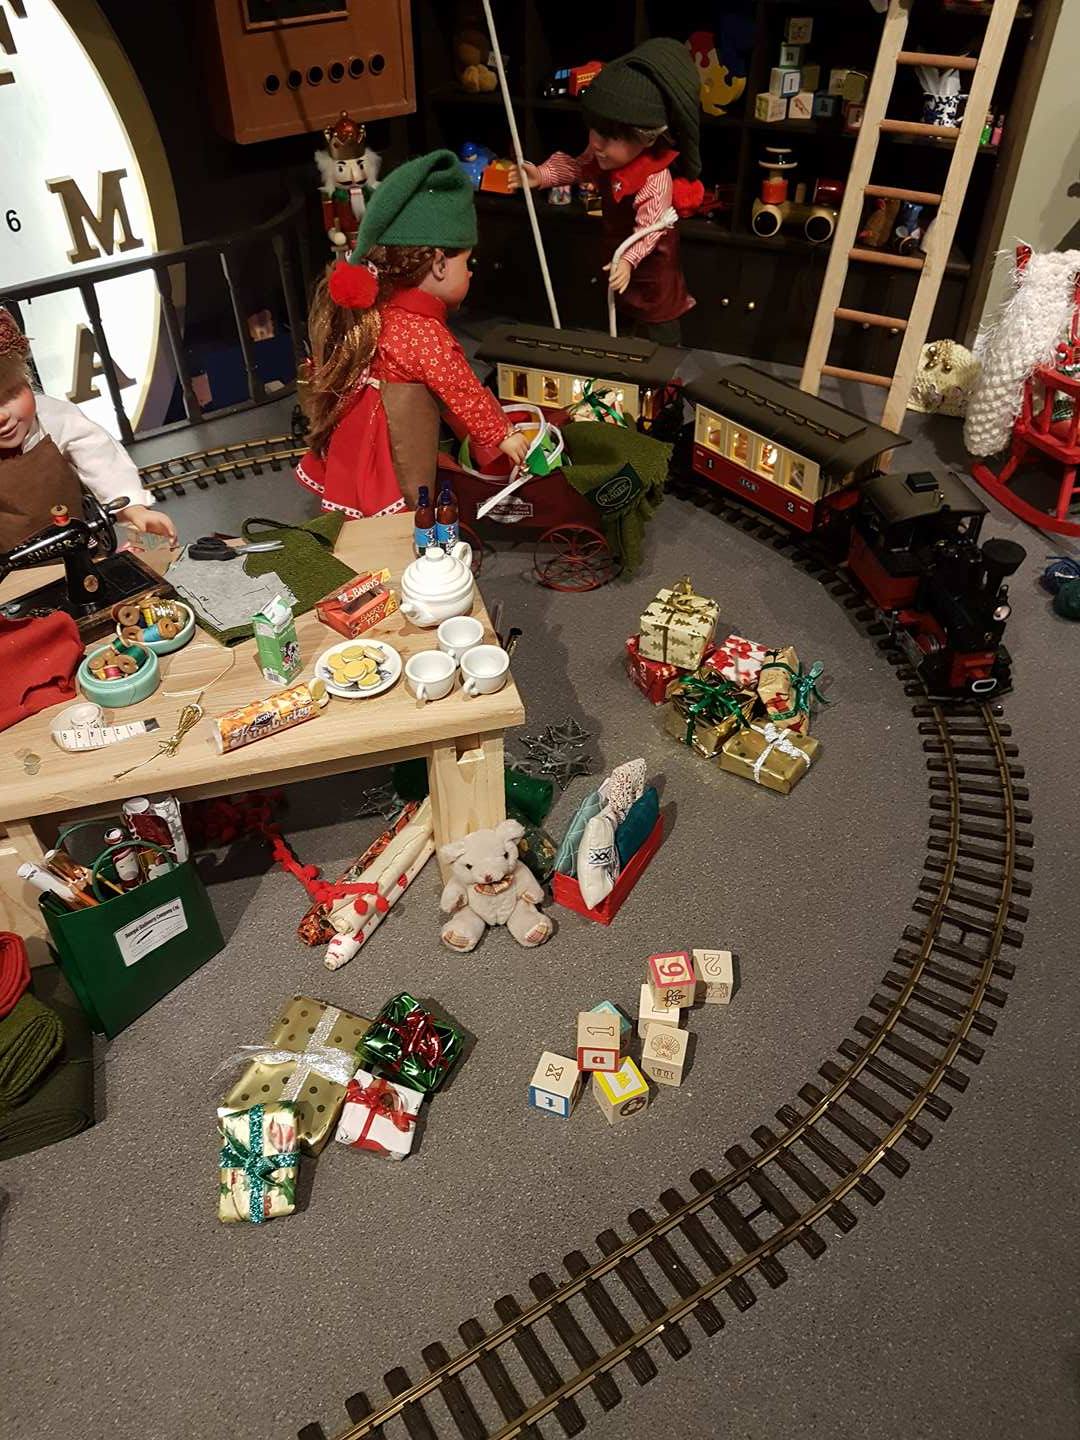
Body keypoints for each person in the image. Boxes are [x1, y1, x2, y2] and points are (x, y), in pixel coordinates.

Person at [298, 148, 529, 518]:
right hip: (392, 433)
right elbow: (462, 388)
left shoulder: (381, 309)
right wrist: (502, 434)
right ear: (438, 264)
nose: (470, 272)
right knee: (398, 497)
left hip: (358, 422)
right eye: (466, 262)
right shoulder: (423, 332)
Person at [509, 38, 703, 345]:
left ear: (647, 138)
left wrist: (627, 260)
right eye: (595, 129)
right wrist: (542, 175)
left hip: (652, 264)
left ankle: (667, 366)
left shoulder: (655, 178)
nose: (597, 143)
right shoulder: (601, 153)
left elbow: (650, 229)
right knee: (621, 316)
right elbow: (579, 167)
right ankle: (622, 359)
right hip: (617, 252)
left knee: (659, 322)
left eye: (611, 137)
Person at [0, 306, 176, 550]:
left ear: (27, 379)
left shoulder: (54, 418)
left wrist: (133, 509)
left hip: (81, 549)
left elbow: (101, 459)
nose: (3, 416)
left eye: (11, 393)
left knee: (153, 551)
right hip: (12, 569)